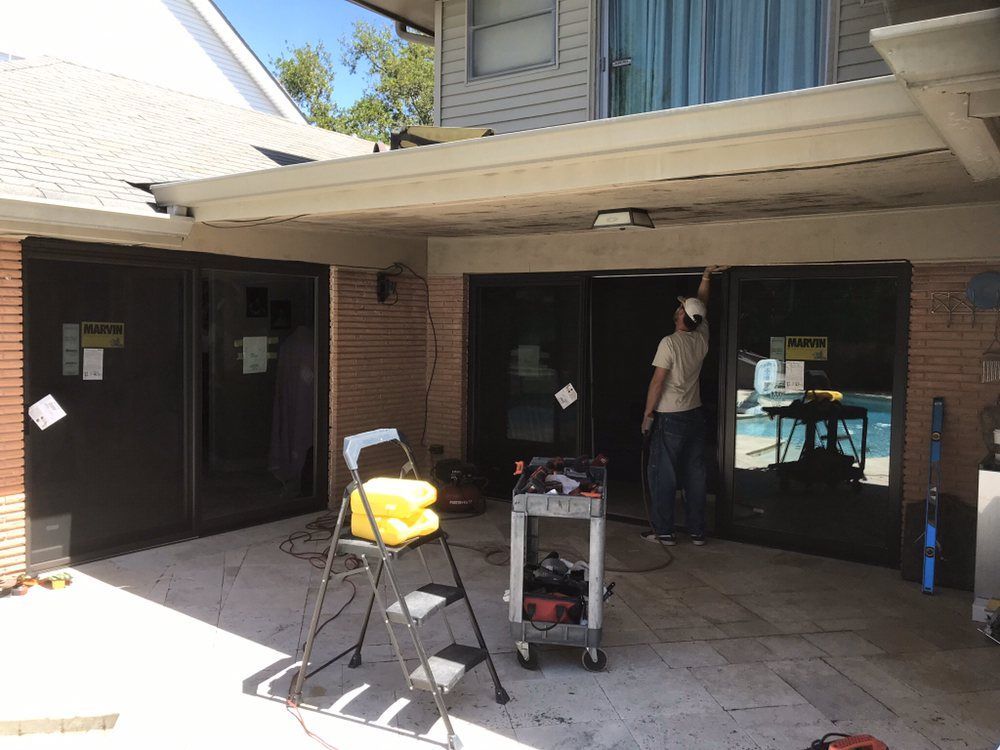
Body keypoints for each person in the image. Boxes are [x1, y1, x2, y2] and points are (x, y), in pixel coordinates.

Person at [641, 266, 725, 546]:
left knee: (663, 474)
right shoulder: (701, 337)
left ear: (680, 317)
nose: (677, 310)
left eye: (679, 309)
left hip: (670, 417)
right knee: (695, 475)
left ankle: (664, 532)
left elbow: (657, 382)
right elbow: (701, 306)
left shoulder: (670, 343)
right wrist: (706, 278)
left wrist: (647, 414)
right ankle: (697, 532)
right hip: (694, 415)